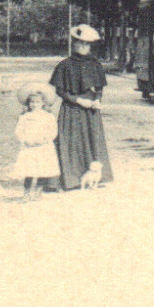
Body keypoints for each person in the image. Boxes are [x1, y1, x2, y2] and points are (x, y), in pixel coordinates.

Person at [50, 24, 113, 189]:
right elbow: (60, 90)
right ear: (74, 44)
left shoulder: (95, 64)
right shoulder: (65, 65)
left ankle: (95, 176)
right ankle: (72, 179)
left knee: (94, 140)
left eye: (87, 44)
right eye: (80, 43)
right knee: (72, 142)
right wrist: (78, 100)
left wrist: (98, 99)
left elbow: (99, 87)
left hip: (91, 109)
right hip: (72, 109)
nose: (84, 47)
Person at [12, 85, 61, 198]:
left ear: (43, 103)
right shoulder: (25, 116)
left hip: (43, 146)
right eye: (32, 102)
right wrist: (25, 140)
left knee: (42, 169)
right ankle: (27, 192)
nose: (34, 104)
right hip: (30, 146)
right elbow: (18, 131)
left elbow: (53, 131)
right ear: (28, 103)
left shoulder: (48, 116)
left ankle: (38, 191)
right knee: (29, 170)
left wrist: (45, 139)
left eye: (37, 102)